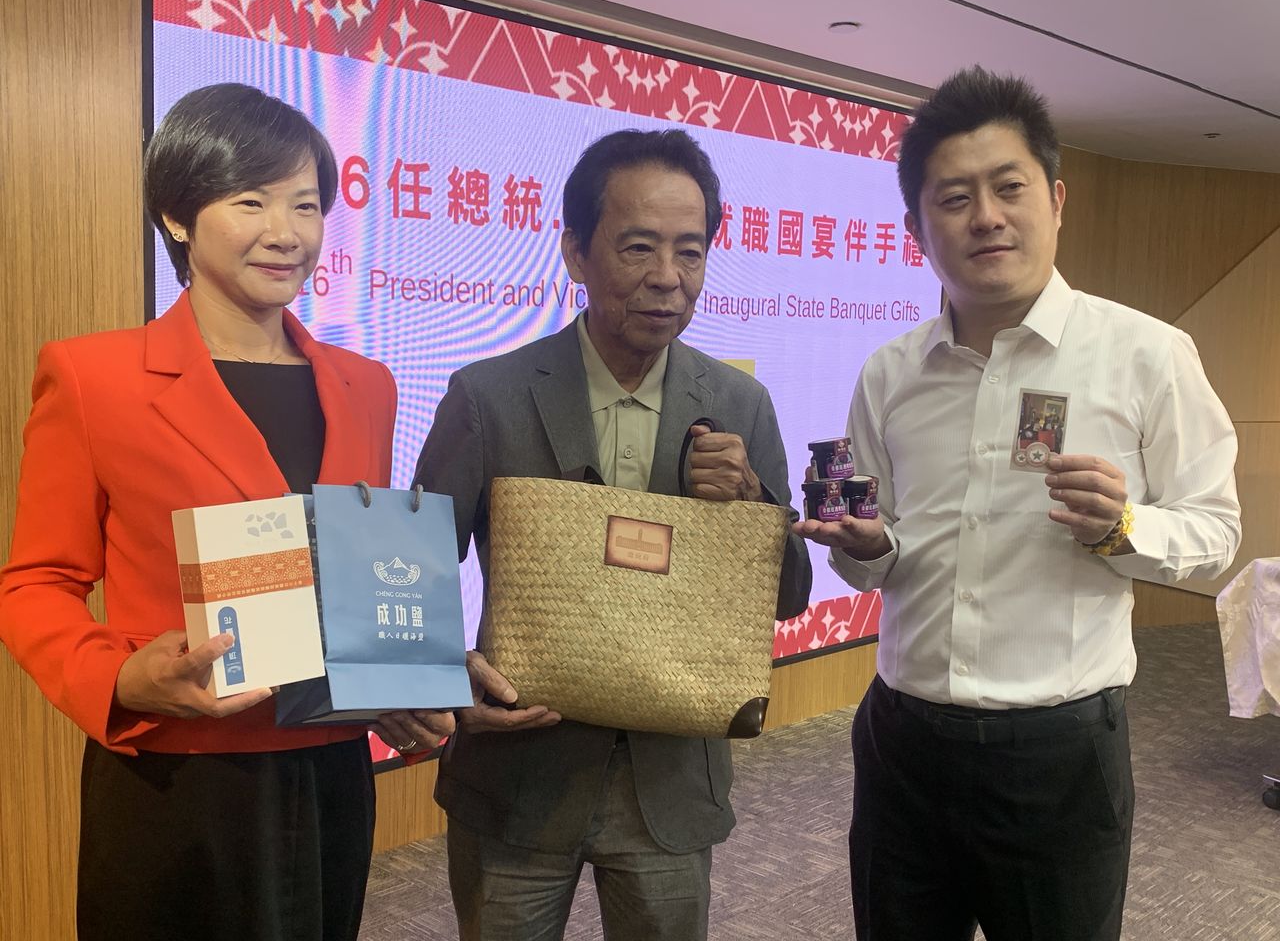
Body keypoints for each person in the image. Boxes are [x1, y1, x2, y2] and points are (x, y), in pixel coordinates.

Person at [795, 67, 1241, 941]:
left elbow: (1216, 529)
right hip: (902, 742)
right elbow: (872, 554)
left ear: (1056, 199)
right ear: (916, 228)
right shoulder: (890, 373)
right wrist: (866, 545)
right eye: (954, 198)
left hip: (1058, 756)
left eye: (1009, 187)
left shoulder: (1147, 355)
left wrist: (1122, 528)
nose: (986, 217)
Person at [0, 83, 451, 941]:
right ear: (177, 215)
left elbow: (355, 568)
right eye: (251, 201)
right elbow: (34, 584)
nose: (286, 232)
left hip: (330, 767)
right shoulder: (94, 379)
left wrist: (400, 683)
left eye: (306, 205)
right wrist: (118, 678)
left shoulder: (366, 386)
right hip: (178, 772)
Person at [415, 128, 812, 941]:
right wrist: (448, 677)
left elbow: (788, 597)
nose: (668, 277)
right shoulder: (488, 396)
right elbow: (411, 573)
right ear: (575, 252)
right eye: (638, 247)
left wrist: (747, 503)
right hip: (519, 775)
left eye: (690, 252)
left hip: (669, 782)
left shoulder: (739, 408)